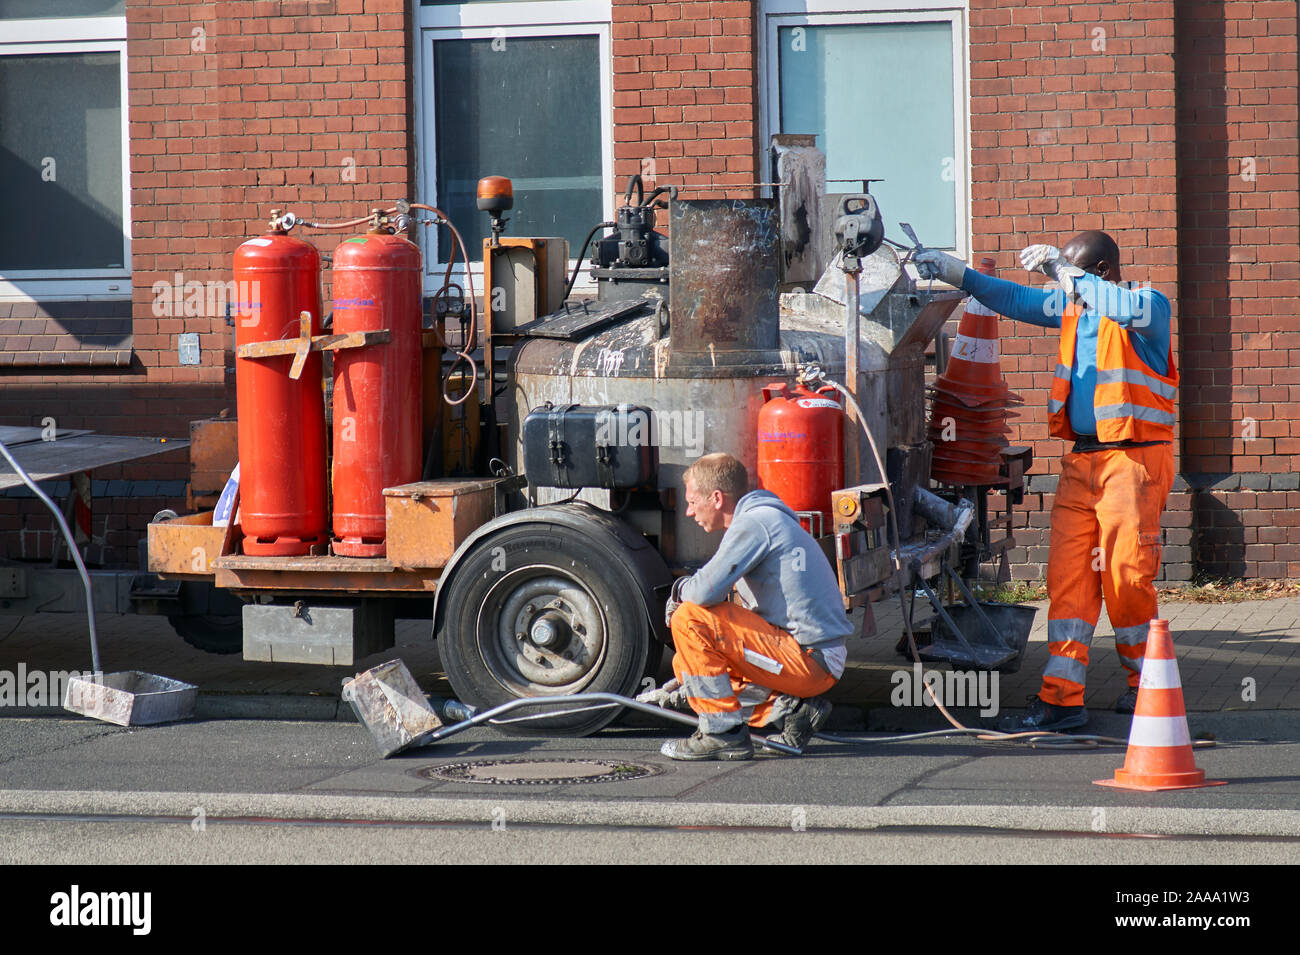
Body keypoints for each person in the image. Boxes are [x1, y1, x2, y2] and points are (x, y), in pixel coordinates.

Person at [914, 232, 1176, 731]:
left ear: (1100, 272)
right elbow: (1015, 298)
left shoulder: (1147, 305)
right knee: (1069, 579)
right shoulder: (1076, 310)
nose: (1062, 284)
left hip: (1134, 463)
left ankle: (1147, 687)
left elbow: (1123, 309)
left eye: (1073, 273)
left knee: (1125, 577)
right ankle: (1061, 699)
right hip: (1084, 462)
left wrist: (1064, 271)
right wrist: (957, 274)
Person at [645, 452, 853, 759]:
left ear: (716, 498)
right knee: (686, 663)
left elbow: (702, 593)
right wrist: (684, 684)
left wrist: (677, 595)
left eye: (692, 501)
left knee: (689, 619)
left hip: (812, 661)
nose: (689, 512)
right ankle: (792, 710)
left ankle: (722, 734)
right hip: (813, 656)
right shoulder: (762, 518)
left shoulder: (754, 525)